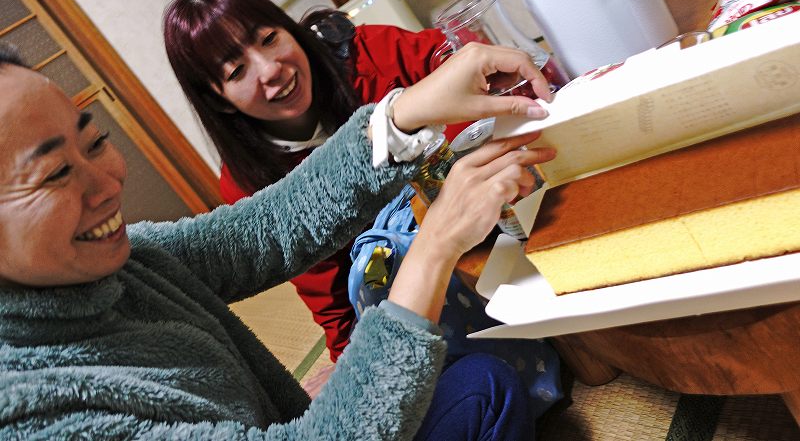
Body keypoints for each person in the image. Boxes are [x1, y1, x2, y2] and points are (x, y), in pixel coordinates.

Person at [0, 40, 556, 439]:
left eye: (94, 142)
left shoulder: (126, 262)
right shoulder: (33, 414)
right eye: (52, 176)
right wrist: (436, 246)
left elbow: (265, 229)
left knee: (483, 384)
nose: (108, 184)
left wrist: (405, 113)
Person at [162, 0, 473, 362]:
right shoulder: (248, 182)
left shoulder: (359, 51)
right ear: (220, 101)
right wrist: (354, 362)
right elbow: (324, 285)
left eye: (269, 38)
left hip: (480, 206)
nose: (271, 69)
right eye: (237, 71)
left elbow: (456, 68)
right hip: (420, 278)